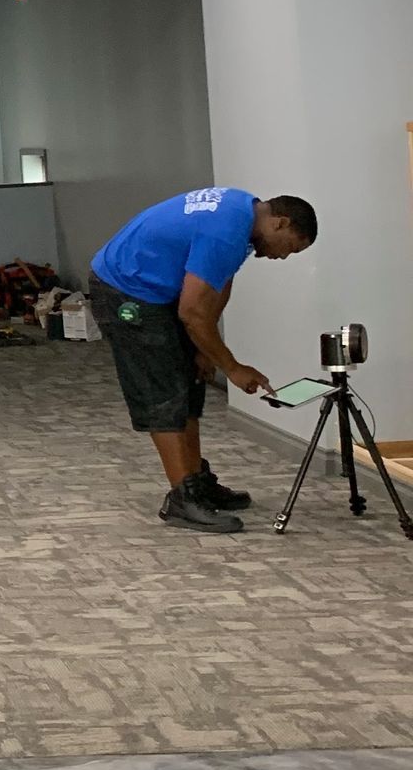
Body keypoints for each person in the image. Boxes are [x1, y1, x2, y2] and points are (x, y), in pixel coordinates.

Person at [88, 188, 318, 533]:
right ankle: (182, 500)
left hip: (158, 291)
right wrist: (232, 367)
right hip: (126, 289)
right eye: (291, 247)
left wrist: (205, 351)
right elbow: (193, 311)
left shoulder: (243, 214)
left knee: (189, 384)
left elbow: (218, 284)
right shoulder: (226, 230)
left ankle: (195, 482)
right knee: (164, 393)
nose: (284, 257)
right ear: (280, 222)